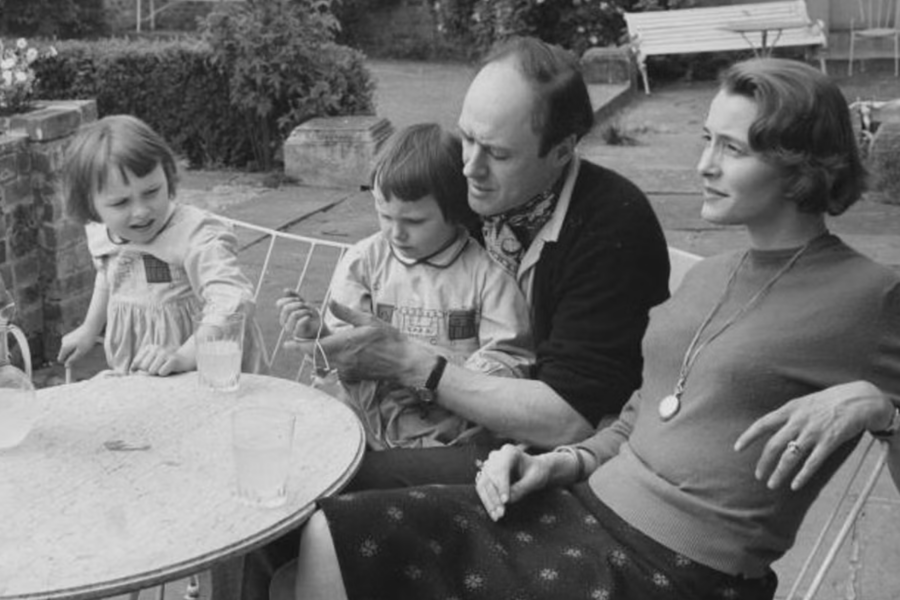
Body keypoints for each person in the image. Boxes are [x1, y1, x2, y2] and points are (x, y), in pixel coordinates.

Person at [272, 58, 900, 600]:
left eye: (731, 149)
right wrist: (564, 464)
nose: (703, 165)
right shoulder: (713, 275)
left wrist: (882, 410)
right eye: (707, 139)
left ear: (802, 166)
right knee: (329, 532)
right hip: (587, 505)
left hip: (677, 568)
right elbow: (638, 417)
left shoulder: (868, 294)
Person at [289, 35, 670, 488]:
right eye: (467, 137)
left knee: (322, 486)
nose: (470, 167)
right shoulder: (466, 188)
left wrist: (410, 364)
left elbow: (567, 420)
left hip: (546, 463)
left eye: (498, 152)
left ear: (562, 151)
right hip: (436, 422)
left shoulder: (611, 227)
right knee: (295, 459)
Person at [278, 123, 533, 450]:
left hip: (453, 432)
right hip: (368, 425)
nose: (395, 233)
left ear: (456, 212)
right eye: (384, 215)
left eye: (413, 221)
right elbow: (347, 353)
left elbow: (509, 364)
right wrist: (319, 334)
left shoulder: (487, 276)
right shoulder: (364, 261)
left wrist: (429, 373)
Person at [57, 115, 265, 377]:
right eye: (121, 203)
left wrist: (183, 357)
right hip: (145, 365)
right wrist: (90, 328)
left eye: (152, 191)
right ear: (91, 206)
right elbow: (108, 275)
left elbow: (232, 301)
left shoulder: (195, 235)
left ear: (167, 175)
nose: (141, 211)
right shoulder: (103, 231)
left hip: (208, 363)